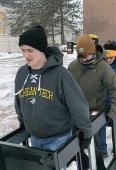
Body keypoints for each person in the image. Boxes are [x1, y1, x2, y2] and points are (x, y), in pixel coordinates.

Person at [14, 25, 93, 153]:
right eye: (23, 50)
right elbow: (18, 101)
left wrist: (86, 131)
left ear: (41, 50)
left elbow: (78, 104)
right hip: (34, 138)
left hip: (58, 139)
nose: (25, 55)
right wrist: (22, 121)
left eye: (30, 50)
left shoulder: (60, 74)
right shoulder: (22, 73)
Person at [68, 34, 116, 170]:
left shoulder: (103, 67)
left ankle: (99, 166)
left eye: (86, 55)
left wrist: (112, 113)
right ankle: (83, 163)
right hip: (75, 112)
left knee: (95, 143)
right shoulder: (73, 66)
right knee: (73, 141)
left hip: (94, 110)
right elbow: (65, 88)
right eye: (80, 55)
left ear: (92, 52)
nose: (83, 58)